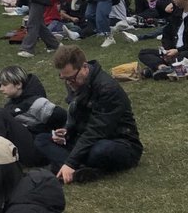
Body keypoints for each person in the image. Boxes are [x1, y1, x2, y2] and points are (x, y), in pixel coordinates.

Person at [35, 46, 142, 183]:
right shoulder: (74, 82)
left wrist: (71, 161)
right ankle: (80, 170)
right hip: (85, 137)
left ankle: (67, 166)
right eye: (64, 78)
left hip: (118, 141)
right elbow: (77, 115)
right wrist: (67, 131)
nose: (68, 83)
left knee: (100, 151)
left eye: (71, 78)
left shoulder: (107, 89)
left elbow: (96, 130)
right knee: (42, 139)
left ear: (84, 67)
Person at [0, 65, 65, 168]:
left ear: (18, 84)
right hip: (24, 146)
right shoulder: (13, 103)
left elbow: (62, 117)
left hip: (38, 150)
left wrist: (57, 136)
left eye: (4, 85)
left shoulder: (36, 102)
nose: (1, 89)